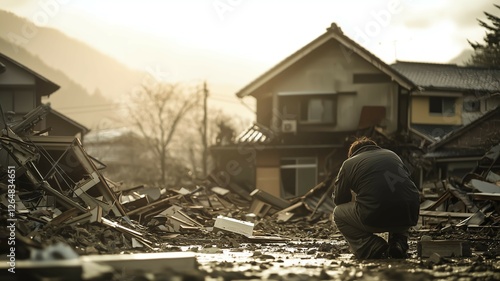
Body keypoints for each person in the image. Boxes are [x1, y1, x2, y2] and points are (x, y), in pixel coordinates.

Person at [332, 136, 420, 259]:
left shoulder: (349, 163)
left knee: (338, 213)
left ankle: (373, 246)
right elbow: (405, 186)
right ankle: (399, 243)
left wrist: (355, 194)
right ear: (374, 147)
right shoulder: (392, 155)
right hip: (409, 214)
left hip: (375, 217)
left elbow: (339, 200)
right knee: (400, 198)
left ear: (352, 154)